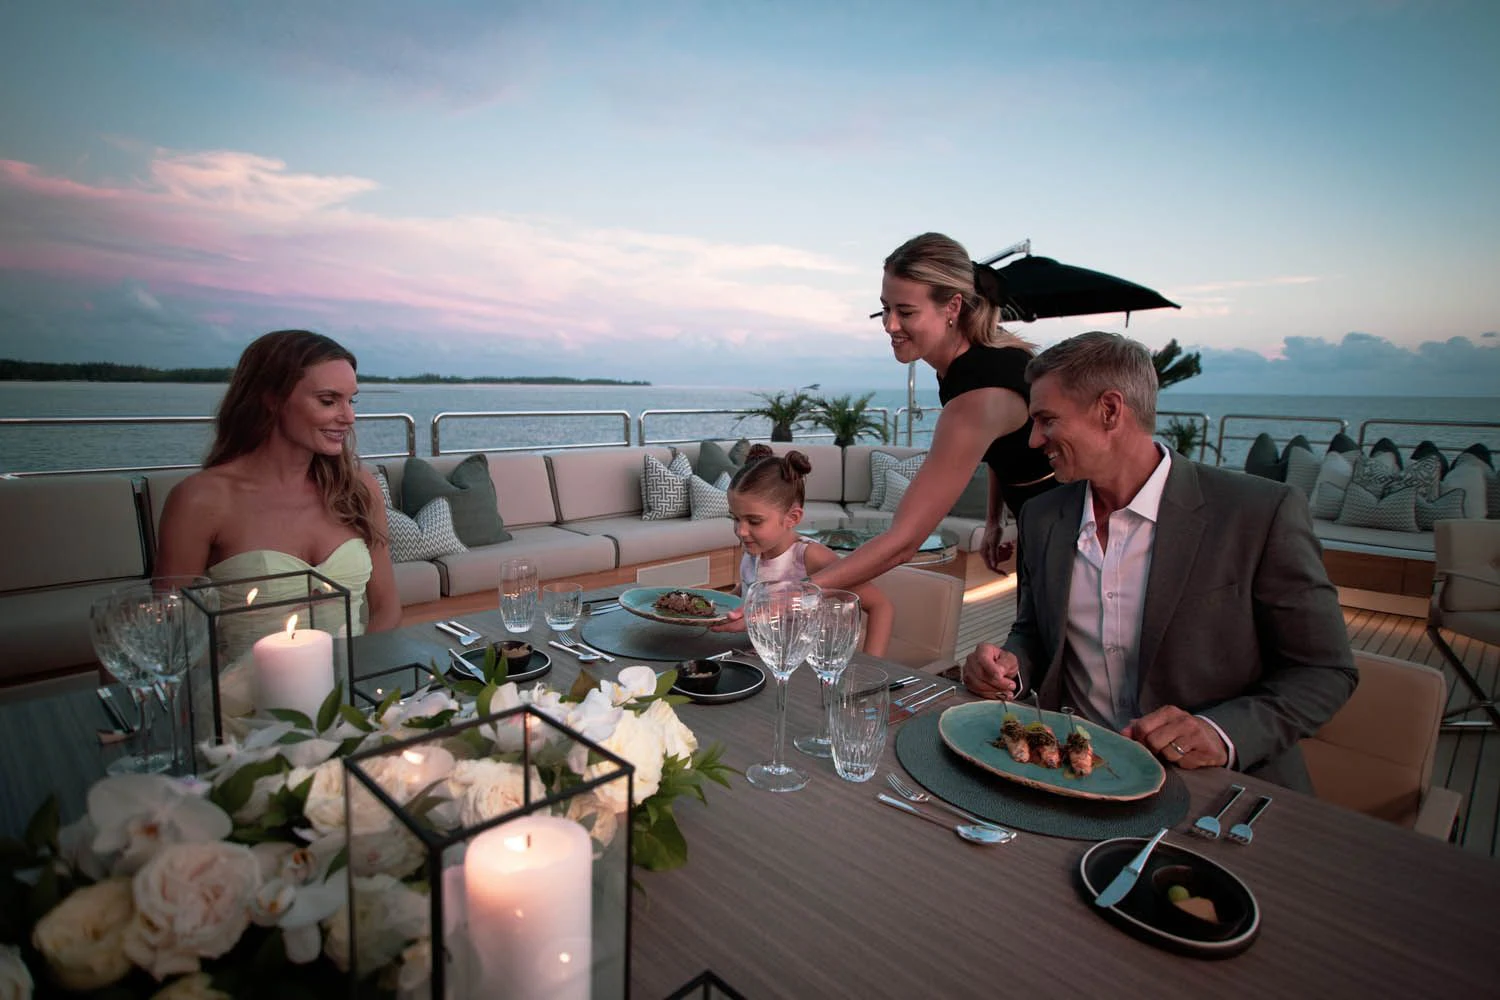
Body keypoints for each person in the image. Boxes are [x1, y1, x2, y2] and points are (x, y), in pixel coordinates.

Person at [961, 331, 1357, 790]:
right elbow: (1033, 631)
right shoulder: (1042, 516)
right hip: (1075, 773)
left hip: (1214, 787)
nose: (1033, 440)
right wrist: (1009, 666)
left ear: (1110, 410)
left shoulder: (1257, 514)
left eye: (1047, 420)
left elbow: (1325, 670)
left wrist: (1222, 733)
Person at [156, 330, 401, 641]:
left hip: (352, 683)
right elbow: (168, 634)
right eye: (328, 401)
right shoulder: (201, 500)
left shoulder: (358, 488)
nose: (349, 416)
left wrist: (355, 676)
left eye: (351, 401)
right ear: (272, 400)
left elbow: (387, 608)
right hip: (243, 688)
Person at [729, 445, 893, 657]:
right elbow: (748, 589)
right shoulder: (754, 551)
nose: (741, 531)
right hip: (758, 660)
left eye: (754, 521)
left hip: (803, 670)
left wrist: (871, 670)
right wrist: (723, 608)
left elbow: (881, 606)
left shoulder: (809, 556)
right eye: (735, 518)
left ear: (793, 518)